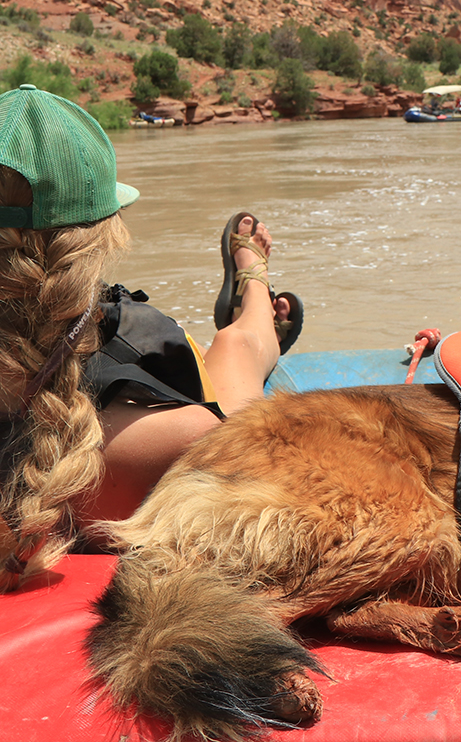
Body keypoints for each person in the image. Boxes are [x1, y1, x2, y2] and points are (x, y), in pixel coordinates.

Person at [0, 85, 300, 589]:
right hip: (118, 459)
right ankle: (255, 297)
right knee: (235, 349)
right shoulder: (178, 442)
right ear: (100, 236)